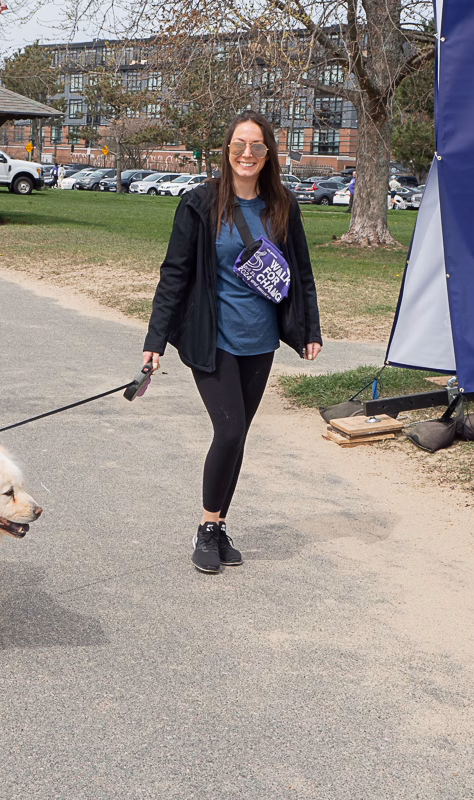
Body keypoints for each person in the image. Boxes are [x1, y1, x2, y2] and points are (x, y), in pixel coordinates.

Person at [142, 110, 322, 575]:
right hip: (213, 339)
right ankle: (206, 528)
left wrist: (309, 330)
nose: (247, 154)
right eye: (240, 145)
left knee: (238, 436)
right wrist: (155, 340)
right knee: (228, 431)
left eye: (257, 147)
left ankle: (220, 525)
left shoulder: (281, 205)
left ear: (268, 155)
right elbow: (174, 274)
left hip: (259, 342)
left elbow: (300, 272)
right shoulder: (199, 204)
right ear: (227, 151)